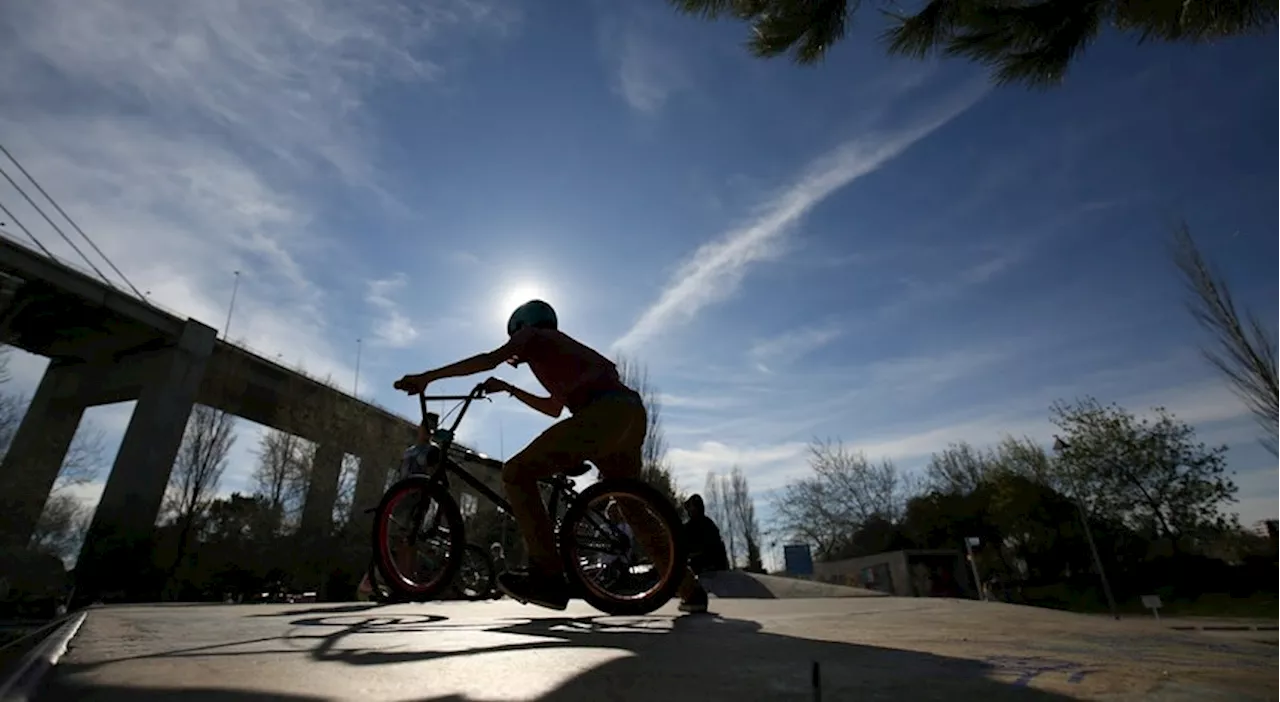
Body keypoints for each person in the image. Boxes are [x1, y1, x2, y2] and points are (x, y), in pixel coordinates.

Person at [395, 299, 708, 612]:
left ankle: (548, 575)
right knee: (632, 506)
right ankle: (689, 589)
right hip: (628, 413)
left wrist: (427, 377)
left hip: (602, 413)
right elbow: (553, 408)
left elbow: (489, 359)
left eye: (512, 341)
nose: (513, 355)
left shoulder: (533, 336)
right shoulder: (560, 352)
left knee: (517, 472)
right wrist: (509, 388)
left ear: (521, 326)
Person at [683, 494, 729, 575]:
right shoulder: (688, 528)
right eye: (689, 508)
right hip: (694, 569)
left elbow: (714, 548)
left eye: (691, 507)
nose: (689, 510)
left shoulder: (708, 526)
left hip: (710, 569)